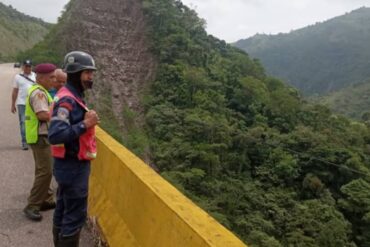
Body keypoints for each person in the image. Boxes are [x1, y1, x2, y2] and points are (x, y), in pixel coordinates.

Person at [49, 51, 99, 247]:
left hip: (67, 165)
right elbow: (55, 134)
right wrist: (85, 124)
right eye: (87, 72)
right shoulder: (67, 100)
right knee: (74, 217)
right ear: (76, 73)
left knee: (62, 209)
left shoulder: (72, 95)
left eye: (91, 73)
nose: (90, 77)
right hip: (72, 167)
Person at [23, 63, 57, 221]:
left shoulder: (41, 91)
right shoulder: (39, 94)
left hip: (39, 136)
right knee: (46, 171)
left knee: (43, 170)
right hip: (41, 136)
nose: (54, 79)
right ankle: (33, 205)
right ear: (41, 78)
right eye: (51, 77)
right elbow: (43, 115)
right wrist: (62, 117)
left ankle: (46, 200)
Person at [11, 59, 36, 150]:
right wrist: (13, 104)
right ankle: (24, 142)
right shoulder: (18, 77)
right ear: (23, 67)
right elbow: (15, 91)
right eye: (26, 66)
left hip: (33, 103)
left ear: (31, 67)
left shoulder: (35, 76)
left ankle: (32, 140)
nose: (28, 68)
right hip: (22, 103)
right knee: (23, 122)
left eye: (29, 66)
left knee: (33, 122)